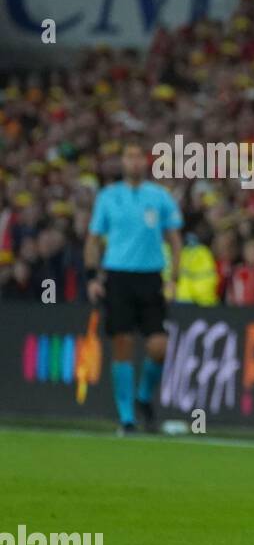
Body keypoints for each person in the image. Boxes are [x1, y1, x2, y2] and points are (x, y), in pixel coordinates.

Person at [84, 141, 183, 434]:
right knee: (122, 344)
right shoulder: (108, 196)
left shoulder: (160, 196)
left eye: (139, 156)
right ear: (123, 162)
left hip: (151, 277)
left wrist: (174, 277)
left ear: (146, 162)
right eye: (129, 156)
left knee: (158, 347)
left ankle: (143, 397)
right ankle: (127, 418)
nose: (135, 162)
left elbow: (175, 239)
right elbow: (93, 239)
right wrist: (92, 276)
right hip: (118, 277)